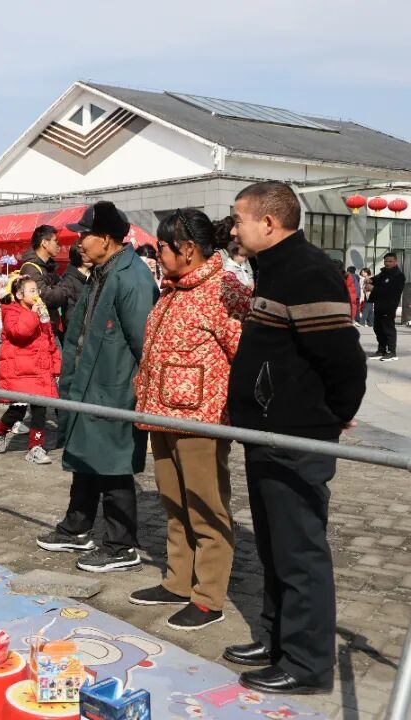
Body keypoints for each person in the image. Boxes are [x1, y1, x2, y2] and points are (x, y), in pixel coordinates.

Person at [223, 181, 366, 694]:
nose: (233, 227)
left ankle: (307, 664)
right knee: (272, 542)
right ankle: (276, 636)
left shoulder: (306, 271)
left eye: (239, 218)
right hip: (265, 429)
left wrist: (334, 415)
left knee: (299, 548)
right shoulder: (274, 268)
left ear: (268, 223)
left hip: (294, 436)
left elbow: (344, 358)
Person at [130, 209, 251, 631]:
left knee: (206, 507)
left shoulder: (225, 290)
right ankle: (178, 580)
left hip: (202, 420)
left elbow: (245, 354)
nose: (157, 254)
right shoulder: (172, 289)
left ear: (187, 249)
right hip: (161, 415)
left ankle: (208, 596)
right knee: (174, 503)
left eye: (162, 247)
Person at [36, 201, 157, 573]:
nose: (78, 242)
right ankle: (78, 526)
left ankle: (122, 543)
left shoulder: (132, 278)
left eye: (84, 235)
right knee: (86, 457)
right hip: (91, 382)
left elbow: (143, 344)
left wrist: (138, 392)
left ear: (106, 238)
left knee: (113, 464)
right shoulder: (104, 271)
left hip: (115, 386)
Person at [0, 274, 61, 464]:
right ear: (19, 295)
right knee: (17, 411)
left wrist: (55, 366)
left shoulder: (40, 312)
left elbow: (49, 340)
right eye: (32, 291)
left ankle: (35, 448)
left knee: (39, 411)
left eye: (37, 290)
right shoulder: (11, 311)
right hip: (20, 371)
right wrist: (33, 315)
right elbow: (19, 333)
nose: (36, 294)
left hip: (40, 370)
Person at [368, 252, 405, 361]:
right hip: (379, 305)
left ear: (395, 262)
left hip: (389, 306)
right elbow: (377, 279)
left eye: (390, 261)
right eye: (385, 261)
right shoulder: (384, 273)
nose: (387, 263)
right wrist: (371, 280)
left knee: (388, 328)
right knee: (378, 328)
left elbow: (391, 292)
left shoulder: (398, 275)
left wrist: (373, 289)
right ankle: (381, 349)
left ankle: (392, 352)